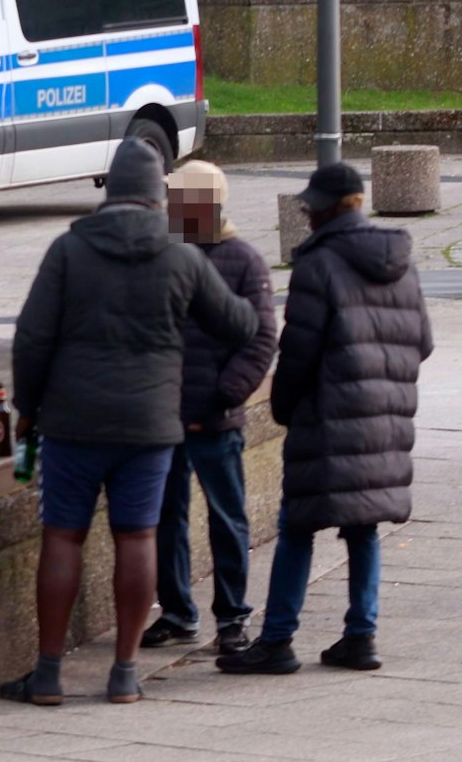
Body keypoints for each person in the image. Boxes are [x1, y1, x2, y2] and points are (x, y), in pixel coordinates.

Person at [2, 139, 258, 707]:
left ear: (111, 190)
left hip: (72, 425)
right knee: (138, 536)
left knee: (62, 536)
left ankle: (47, 675)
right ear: (157, 196)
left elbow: (32, 337)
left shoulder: (69, 250)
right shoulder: (183, 256)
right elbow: (241, 325)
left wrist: (28, 410)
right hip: (148, 427)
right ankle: (123, 674)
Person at [219, 162, 431, 676]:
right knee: (362, 526)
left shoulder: (318, 264)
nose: (306, 213)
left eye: (311, 205)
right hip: (384, 419)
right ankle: (361, 637)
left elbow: (298, 352)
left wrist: (284, 408)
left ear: (329, 209)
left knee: (297, 526)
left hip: (329, 417)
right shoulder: (400, 261)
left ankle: (277, 640)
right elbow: (422, 341)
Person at [142, 160, 278, 656]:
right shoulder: (164, 254)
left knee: (226, 517)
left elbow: (263, 339)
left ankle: (232, 616)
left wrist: (225, 394)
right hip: (164, 414)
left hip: (215, 416)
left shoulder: (242, 259)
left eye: (180, 200)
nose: (171, 208)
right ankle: (177, 612)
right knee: (164, 516)